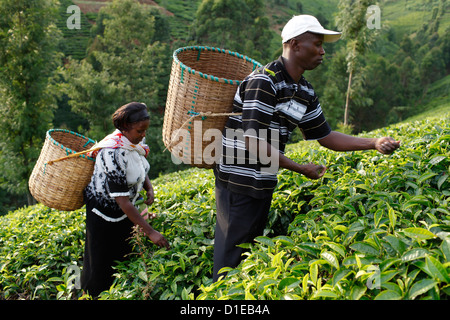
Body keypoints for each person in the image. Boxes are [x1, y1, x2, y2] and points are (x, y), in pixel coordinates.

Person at [212, 15, 400, 282]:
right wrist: (300, 168)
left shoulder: (304, 91)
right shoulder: (265, 82)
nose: (322, 51)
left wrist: (373, 143)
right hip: (238, 182)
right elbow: (252, 141)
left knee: (246, 257)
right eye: (317, 44)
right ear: (295, 44)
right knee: (228, 261)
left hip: (263, 181)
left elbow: (325, 136)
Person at [81, 102, 170, 297]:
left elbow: (139, 166)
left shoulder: (133, 143)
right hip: (104, 214)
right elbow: (122, 201)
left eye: (145, 130)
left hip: (124, 212)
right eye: (140, 131)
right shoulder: (111, 152)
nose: (143, 135)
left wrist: (149, 187)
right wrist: (150, 232)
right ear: (124, 128)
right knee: (101, 266)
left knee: (123, 256)